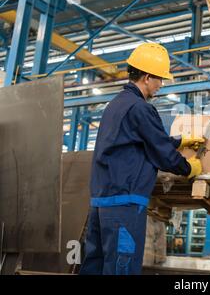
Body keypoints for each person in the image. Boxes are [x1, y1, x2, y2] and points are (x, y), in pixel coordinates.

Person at [79, 43, 203, 275]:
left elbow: (137, 139)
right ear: (147, 77)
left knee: (94, 266)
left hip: (100, 203)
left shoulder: (115, 105)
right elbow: (162, 154)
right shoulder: (140, 108)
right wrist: (188, 168)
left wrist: (179, 140)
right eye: (159, 79)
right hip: (124, 205)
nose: (161, 85)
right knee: (121, 268)